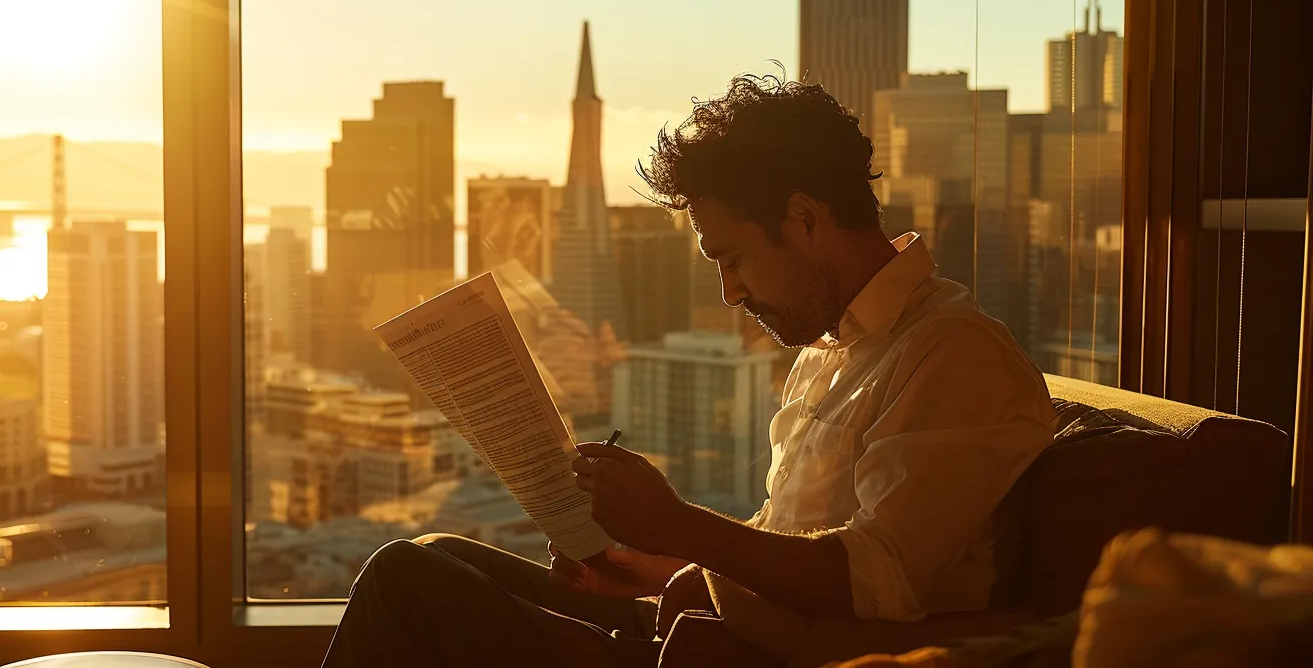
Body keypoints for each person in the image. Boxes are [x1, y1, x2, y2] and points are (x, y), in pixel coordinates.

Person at [320, 73, 1055, 668]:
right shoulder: (833, 353)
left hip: (733, 658)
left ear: (803, 219)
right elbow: (786, 545)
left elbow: (876, 580)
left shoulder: (951, 353)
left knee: (402, 585)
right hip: (703, 627)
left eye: (731, 259)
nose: (730, 293)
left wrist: (682, 527)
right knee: (433, 555)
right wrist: (664, 565)